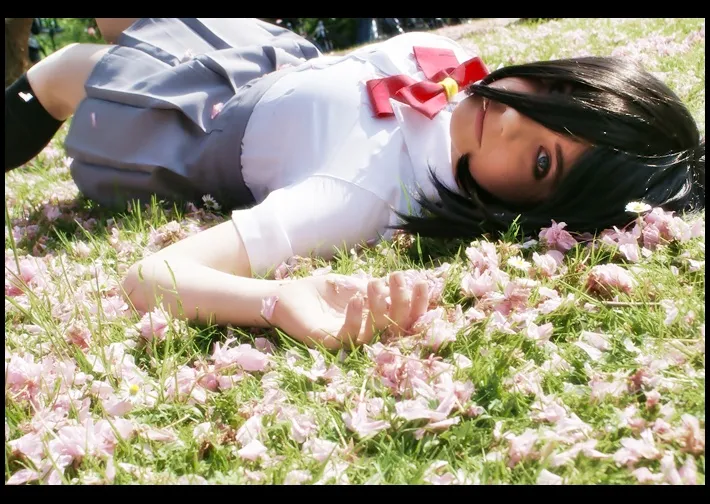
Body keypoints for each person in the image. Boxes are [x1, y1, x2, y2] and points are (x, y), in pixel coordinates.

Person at [5, 18, 704, 349]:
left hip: (192, 117)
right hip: (260, 56)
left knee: (64, 70)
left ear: (530, 210)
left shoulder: (359, 193)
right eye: (553, 94)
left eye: (542, 161)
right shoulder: (461, 71)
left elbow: (150, 277)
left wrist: (276, 300)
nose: (515, 119)